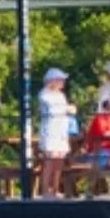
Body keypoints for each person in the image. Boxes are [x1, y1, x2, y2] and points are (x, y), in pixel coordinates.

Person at [36, 66, 73, 197]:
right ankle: (45, 190)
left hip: (61, 132)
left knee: (59, 162)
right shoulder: (44, 94)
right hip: (50, 132)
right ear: (52, 80)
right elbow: (53, 110)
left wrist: (67, 109)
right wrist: (67, 109)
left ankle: (55, 188)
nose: (63, 82)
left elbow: (64, 109)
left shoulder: (61, 95)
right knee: (49, 162)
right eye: (60, 80)